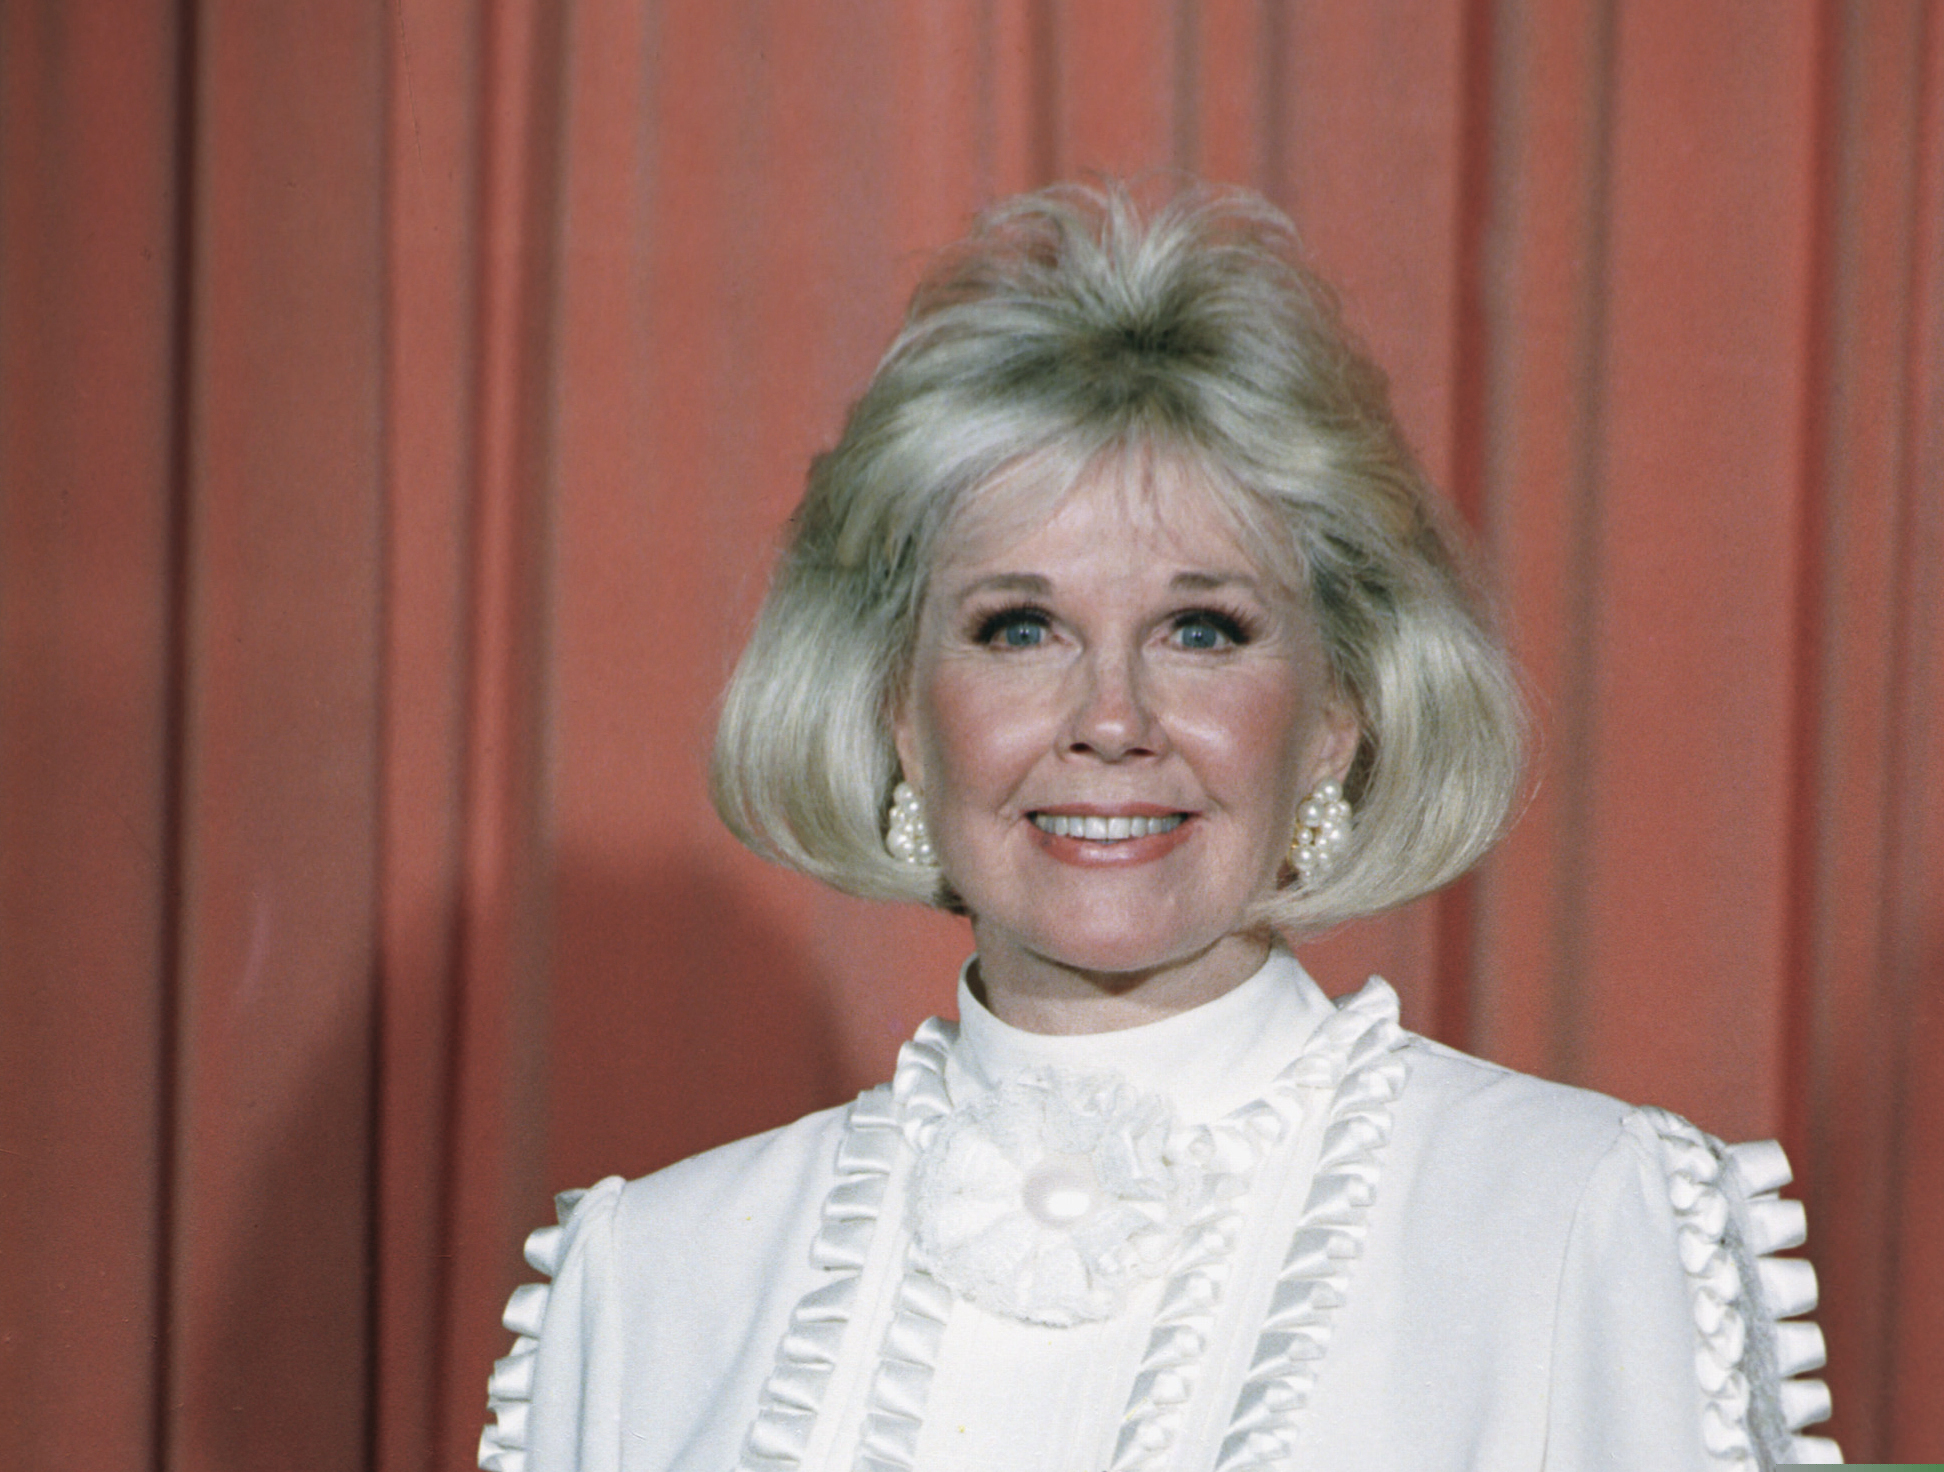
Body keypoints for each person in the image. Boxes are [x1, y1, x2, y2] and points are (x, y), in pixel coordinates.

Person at [478, 182, 1839, 1471]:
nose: (1112, 718)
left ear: (1340, 712)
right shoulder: (651, 1280)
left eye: (1202, 629)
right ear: (898, 708)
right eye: (1020, 628)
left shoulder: (1581, 1216)